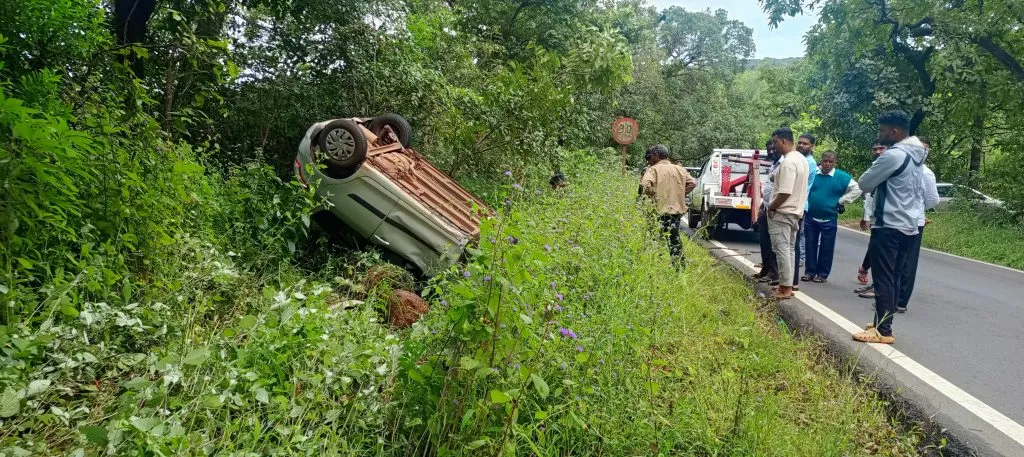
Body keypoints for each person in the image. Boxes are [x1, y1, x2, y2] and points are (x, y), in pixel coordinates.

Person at [852, 110, 928, 345]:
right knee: (893, 276)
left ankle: (883, 330)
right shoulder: (918, 155)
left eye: (882, 130)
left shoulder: (893, 156)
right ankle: (881, 322)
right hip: (909, 224)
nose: (879, 134)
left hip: (889, 224)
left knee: (883, 277)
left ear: (894, 132)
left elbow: (864, 183)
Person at [801, 151, 862, 283]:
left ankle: (822, 274)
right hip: (811, 216)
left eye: (830, 162)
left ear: (835, 163)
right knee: (810, 245)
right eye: (825, 161)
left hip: (829, 218)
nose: (827, 164)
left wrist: (842, 200)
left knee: (826, 247)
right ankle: (809, 272)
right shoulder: (814, 174)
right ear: (821, 161)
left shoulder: (841, 177)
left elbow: (858, 189)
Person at [896, 136, 939, 312]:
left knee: (908, 262)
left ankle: (901, 301)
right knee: (894, 260)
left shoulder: (926, 173)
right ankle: (889, 296)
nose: (922, 152)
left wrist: (917, 206)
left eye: (925, 149)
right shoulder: (901, 165)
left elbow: (933, 200)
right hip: (897, 219)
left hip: (915, 221)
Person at [766, 128, 810, 300]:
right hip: (795, 212)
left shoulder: (788, 162)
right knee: (790, 249)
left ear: (783, 141)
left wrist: (772, 207)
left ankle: (784, 288)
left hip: (783, 212)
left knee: (781, 249)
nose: (773, 146)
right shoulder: (801, 159)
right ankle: (787, 284)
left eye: (775, 142)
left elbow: (785, 191)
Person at [641, 145, 696, 268]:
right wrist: (679, 194)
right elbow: (692, 183)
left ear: (656, 155)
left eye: (652, 156)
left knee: (655, 236)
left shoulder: (653, 169)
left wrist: (653, 194)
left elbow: (645, 185)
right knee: (674, 237)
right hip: (676, 211)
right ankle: (679, 267)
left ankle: (654, 264)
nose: (650, 159)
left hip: (658, 208)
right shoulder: (680, 169)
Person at [856, 142, 889, 294]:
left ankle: (876, 283)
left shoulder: (893, 165)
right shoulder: (874, 168)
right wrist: (866, 216)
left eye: (881, 148)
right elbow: (868, 195)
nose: (877, 152)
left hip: (892, 217)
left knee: (880, 251)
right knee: (875, 248)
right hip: (877, 216)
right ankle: (875, 284)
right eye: (874, 149)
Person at [754, 140, 782, 284]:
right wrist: (762, 207)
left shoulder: (783, 164)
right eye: (769, 150)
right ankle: (765, 269)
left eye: (773, 149)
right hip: (766, 207)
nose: (771, 152)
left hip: (775, 209)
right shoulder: (774, 164)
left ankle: (774, 273)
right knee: (764, 241)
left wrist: (772, 207)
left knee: (774, 244)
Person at [793, 133, 817, 288]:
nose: (801, 145)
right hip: (795, 204)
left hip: (798, 205)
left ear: (812, 146)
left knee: (793, 243)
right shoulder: (800, 159)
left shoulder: (808, 163)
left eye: (805, 143)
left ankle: (792, 281)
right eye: (799, 142)